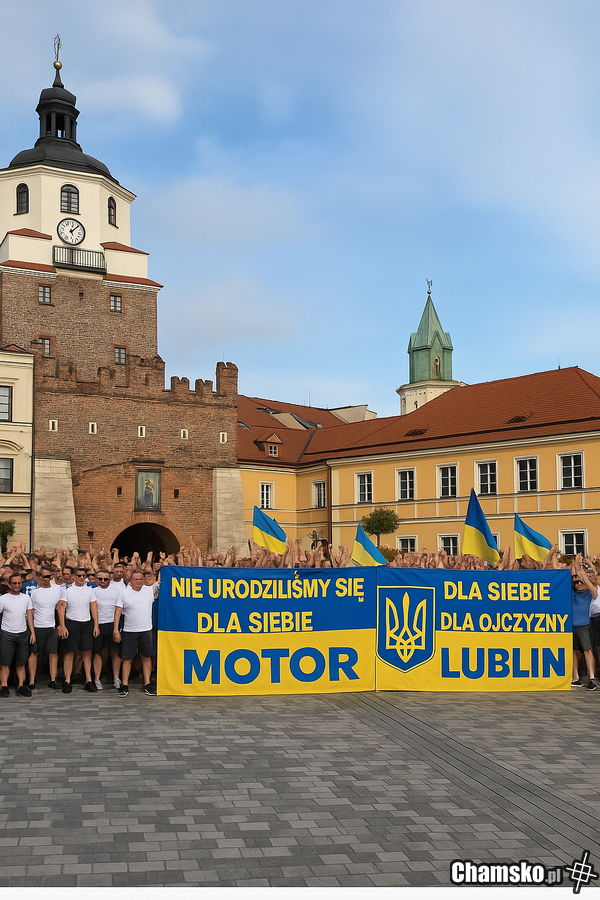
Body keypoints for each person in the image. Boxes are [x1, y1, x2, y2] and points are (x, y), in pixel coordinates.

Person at [113, 569, 156, 697]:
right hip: (129, 631)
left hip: (146, 630)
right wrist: (115, 630)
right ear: (130, 581)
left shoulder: (149, 590)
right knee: (127, 658)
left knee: (147, 657)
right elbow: (118, 612)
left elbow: (160, 581)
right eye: (136, 579)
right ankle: (125, 684)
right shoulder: (124, 593)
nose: (139, 581)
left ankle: (147, 683)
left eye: (141, 579)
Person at [57, 567, 100, 693]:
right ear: (74, 576)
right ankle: (67, 681)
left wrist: (96, 625)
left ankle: (88, 680)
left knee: (87, 652)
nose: (81, 578)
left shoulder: (90, 591)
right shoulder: (68, 591)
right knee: (69, 653)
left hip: (86, 624)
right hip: (71, 623)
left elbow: (93, 608)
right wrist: (62, 625)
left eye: (83, 576)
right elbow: (61, 608)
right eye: (79, 575)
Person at [27, 566, 64, 689]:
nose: (47, 579)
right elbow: (31, 611)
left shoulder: (57, 590)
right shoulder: (34, 593)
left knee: (53, 653)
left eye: (49, 576)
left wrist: (61, 625)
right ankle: (31, 681)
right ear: (40, 577)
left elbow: (60, 608)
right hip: (37, 626)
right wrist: (32, 630)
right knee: (34, 653)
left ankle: (53, 679)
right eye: (45, 576)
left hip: (51, 627)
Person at [0, 573, 33, 697]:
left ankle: (21, 685)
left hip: (22, 634)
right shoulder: (3, 599)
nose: (17, 585)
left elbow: (29, 616)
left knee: (21, 662)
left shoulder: (26, 598)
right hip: (7, 633)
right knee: (4, 662)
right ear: (9, 584)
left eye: (19, 583)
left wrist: (32, 633)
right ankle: (4, 686)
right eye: (14, 583)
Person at [92, 568, 124, 690]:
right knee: (98, 652)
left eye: (105, 579)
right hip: (99, 625)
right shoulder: (93, 591)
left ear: (110, 578)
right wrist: (95, 626)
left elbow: (119, 609)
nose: (103, 581)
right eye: (100, 579)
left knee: (115, 652)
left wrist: (117, 628)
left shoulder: (117, 591)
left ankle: (116, 678)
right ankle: (97, 679)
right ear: (96, 579)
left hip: (113, 624)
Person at [571, 558, 597, 690]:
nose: (579, 583)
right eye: (576, 582)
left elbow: (587, 579)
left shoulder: (590, 593)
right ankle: (576, 678)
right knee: (572, 651)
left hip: (585, 625)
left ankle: (592, 678)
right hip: (571, 625)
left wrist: (579, 567)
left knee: (588, 650)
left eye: (581, 582)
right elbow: (561, 578)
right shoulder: (571, 593)